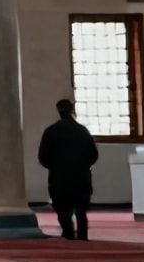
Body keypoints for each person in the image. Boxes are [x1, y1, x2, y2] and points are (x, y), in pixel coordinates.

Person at [37, 98, 98, 241]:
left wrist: (54, 167)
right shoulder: (82, 131)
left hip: (59, 178)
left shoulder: (51, 131)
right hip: (81, 177)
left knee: (63, 209)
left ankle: (68, 234)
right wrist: (82, 166)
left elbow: (43, 156)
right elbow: (93, 155)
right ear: (72, 110)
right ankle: (83, 237)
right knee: (81, 211)